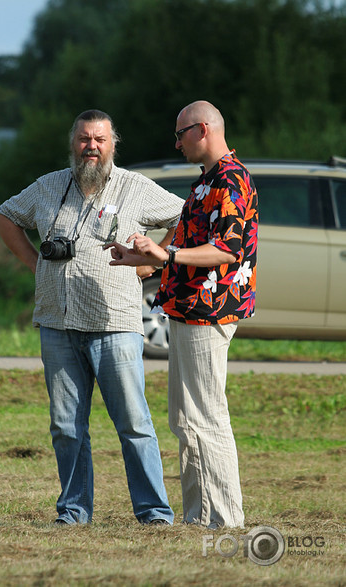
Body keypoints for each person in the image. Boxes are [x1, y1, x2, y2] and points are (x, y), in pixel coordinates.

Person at [0, 109, 185, 526]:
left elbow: (186, 217)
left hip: (115, 324)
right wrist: (34, 264)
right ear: (73, 143)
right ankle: (74, 511)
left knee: (134, 423)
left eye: (100, 139)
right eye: (84, 139)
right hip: (57, 324)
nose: (91, 147)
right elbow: (4, 216)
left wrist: (152, 262)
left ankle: (154, 513)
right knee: (65, 426)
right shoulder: (48, 186)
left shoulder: (136, 187)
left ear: (113, 143)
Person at [106, 100, 258, 529]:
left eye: (180, 134)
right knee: (185, 418)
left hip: (209, 313)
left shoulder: (230, 180)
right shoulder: (207, 181)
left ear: (203, 129)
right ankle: (199, 515)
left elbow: (226, 249)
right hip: (191, 310)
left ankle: (222, 520)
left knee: (204, 417)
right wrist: (143, 257)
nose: (175, 143)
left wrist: (165, 252)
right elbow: (183, 246)